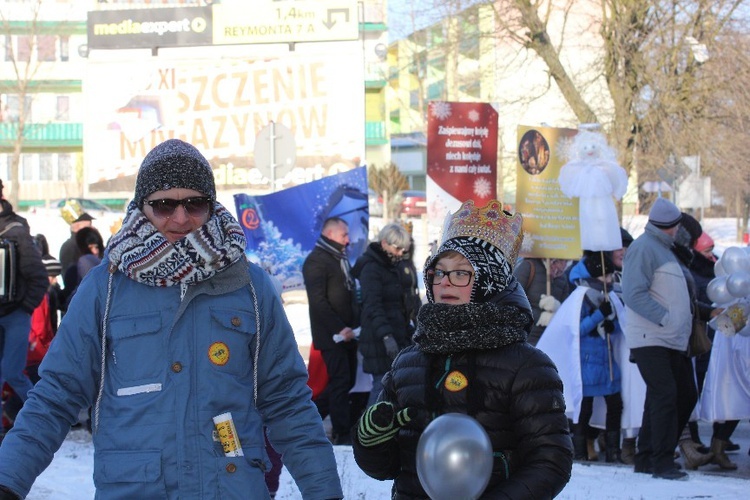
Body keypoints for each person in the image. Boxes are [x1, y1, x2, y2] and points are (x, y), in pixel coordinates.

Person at [0, 139, 342, 499]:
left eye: (195, 204)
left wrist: (325, 492)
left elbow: (288, 401)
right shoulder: (106, 288)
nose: (181, 219)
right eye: (164, 205)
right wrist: (8, 480)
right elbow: (56, 395)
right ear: (141, 207)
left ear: (211, 206)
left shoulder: (250, 286)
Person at [352, 199, 573, 498]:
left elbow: (551, 461)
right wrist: (370, 442)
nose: (445, 283)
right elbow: (388, 468)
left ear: (489, 280)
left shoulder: (527, 365)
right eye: (438, 272)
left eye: (461, 273)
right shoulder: (408, 363)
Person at [621, 197, 694, 480]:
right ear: (672, 227)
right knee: (667, 396)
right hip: (652, 336)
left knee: (677, 395)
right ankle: (662, 461)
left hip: (669, 337)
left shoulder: (663, 248)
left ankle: (647, 458)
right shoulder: (644, 248)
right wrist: (666, 318)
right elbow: (633, 293)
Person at [302, 216, 360, 446]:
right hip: (332, 335)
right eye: (344, 235)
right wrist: (339, 327)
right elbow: (318, 302)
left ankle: (309, 420)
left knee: (343, 383)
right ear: (331, 234)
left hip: (349, 334)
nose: (347, 240)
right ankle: (341, 432)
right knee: (340, 381)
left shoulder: (339, 258)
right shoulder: (316, 261)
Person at [0, 179, 48, 444]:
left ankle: (40, 419)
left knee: (13, 372)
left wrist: (24, 308)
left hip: (15, 313)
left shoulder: (15, 230)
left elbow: (39, 277)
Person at [566, 253, 624, 463]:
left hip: (607, 358)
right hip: (587, 360)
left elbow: (618, 325)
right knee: (585, 408)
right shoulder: (581, 296)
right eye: (605, 276)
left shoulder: (609, 294)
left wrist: (612, 325)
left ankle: (613, 452)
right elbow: (576, 329)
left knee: (615, 404)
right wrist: (599, 315)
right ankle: (579, 452)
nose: (609, 280)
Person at [352, 222, 414, 408]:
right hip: (379, 338)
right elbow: (373, 306)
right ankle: (367, 430)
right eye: (397, 248)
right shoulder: (372, 267)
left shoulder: (391, 264)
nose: (400, 253)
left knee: (392, 385)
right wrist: (387, 336)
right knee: (381, 385)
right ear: (385, 243)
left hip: (396, 333)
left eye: (404, 249)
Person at [514, 257, 570, 345]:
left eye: (565, 261)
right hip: (525, 336)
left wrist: (558, 308)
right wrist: (539, 317)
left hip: (550, 339)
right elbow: (512, 301)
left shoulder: (562, 277)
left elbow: (567, 310)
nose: (564, 264)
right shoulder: (528, 266)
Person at [58, 212, 94, 279]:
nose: (92, 228)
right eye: (89, 225)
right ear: (77, 227)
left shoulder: (84, 244)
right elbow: (69, 275)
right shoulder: (70, 246)